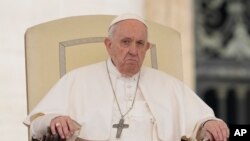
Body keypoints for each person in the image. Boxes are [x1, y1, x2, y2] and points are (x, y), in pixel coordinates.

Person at [24, 13, 229, 141]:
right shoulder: (78, 80)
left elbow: (201, 121)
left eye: (140, 44)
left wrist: (209, 124)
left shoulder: (168, 85)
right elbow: (38, 124)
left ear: (147, 48)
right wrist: (55, 119)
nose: (133, 50)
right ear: (108, 44)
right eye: (125, 42)